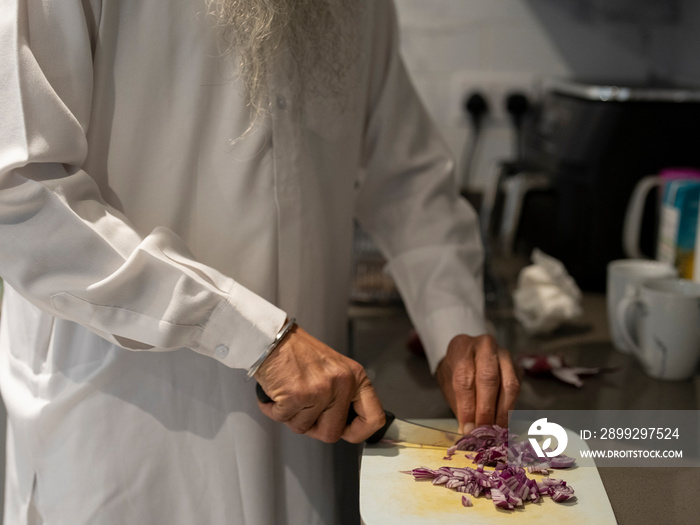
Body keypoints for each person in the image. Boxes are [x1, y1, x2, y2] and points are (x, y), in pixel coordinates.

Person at [0, 0, 519, 523]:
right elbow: (20, 196)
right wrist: (250, 335)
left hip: (306, 432)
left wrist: (453, 324)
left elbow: (407, 177)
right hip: (125, 428)